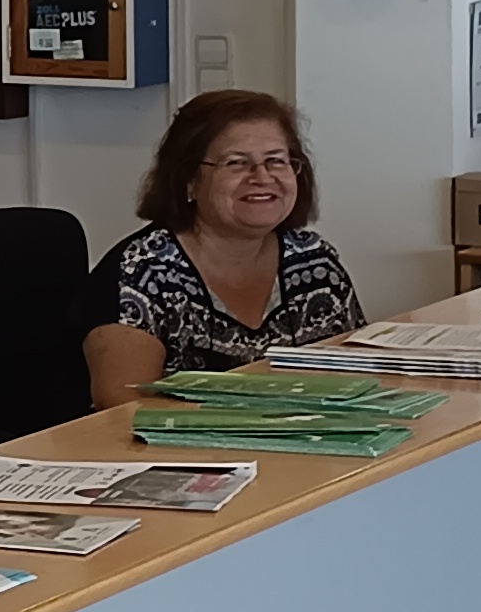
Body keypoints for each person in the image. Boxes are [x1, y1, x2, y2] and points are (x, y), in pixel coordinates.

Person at [85, 87, 363, 403]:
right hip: (181, 437)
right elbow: (123, 413)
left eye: (276, 161)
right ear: (189, 180)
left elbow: (359, 381)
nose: (262, 177)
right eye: (236, 163)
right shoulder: (141, 274)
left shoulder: (314, 261)